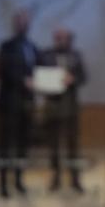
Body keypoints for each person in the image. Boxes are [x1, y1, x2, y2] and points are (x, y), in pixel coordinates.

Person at [0, 10, 39, 197]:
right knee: (5, 145)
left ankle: (18, 181)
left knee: (22, 145)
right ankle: (3, 183)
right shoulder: (6, 46)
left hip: (27, 104)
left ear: (28, 25)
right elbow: (6, 71)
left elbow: (40, 70)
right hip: (9, 103)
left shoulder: (33, 47)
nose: (23, 25)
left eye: (25, 22)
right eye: (19, 22)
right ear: (14, 25)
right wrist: (24, 81)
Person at [37, 27, 87, 193]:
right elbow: (39, 76)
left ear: (69, 39)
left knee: (73, 145)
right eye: (57, 37)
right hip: (53, 106)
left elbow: (84, 77)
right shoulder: (45, 55)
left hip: (71, 107)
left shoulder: (76, 55)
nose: (59, 40)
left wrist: (73, 79)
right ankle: (55, 179)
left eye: (62, 37)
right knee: (54, 145)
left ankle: (75, 180)